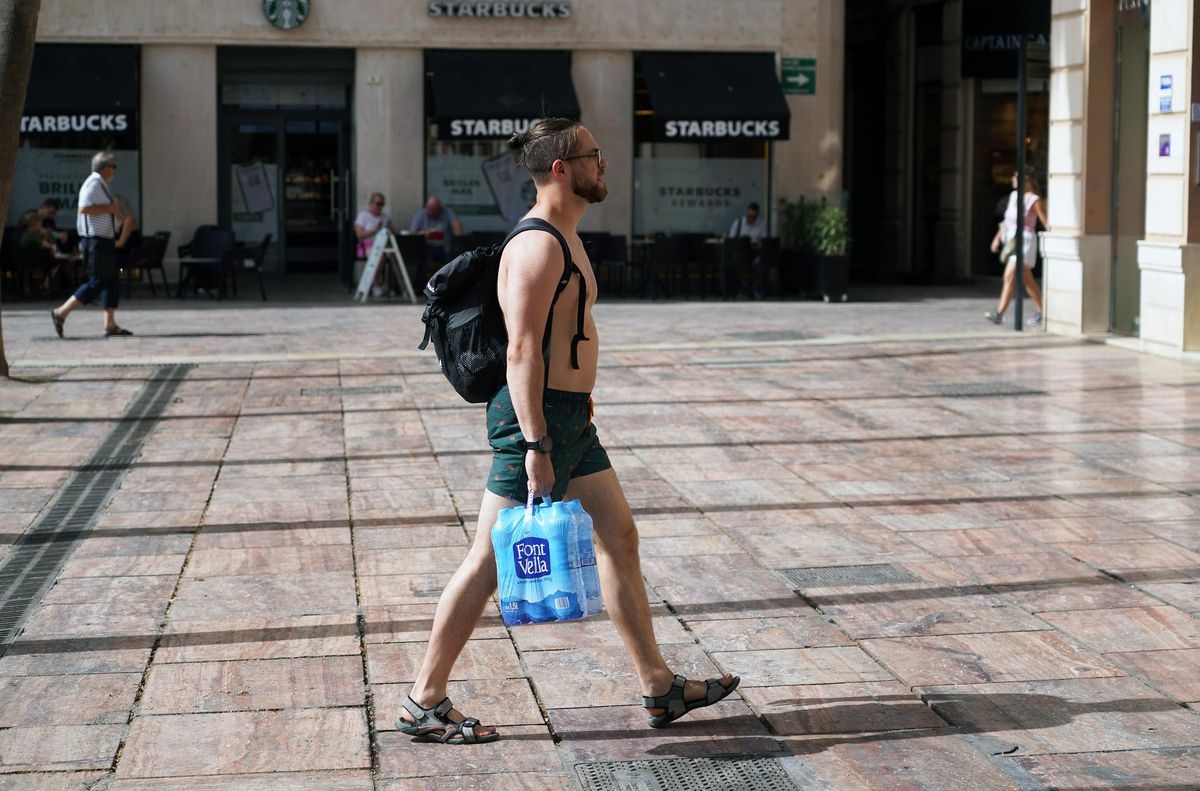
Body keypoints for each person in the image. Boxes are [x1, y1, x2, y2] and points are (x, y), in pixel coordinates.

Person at [396, 118, 739, 746]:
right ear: (561, 168)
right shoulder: (538, 247)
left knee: (621, 537)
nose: (603, 164)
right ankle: (425, 698)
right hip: (538, 420)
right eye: (594, 156)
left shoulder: (568, 237)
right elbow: (522, 351)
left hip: (570, 418)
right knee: (488, 559)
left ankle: (658, 685)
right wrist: (535, 444)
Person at [50, 152, 132, 337]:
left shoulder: (100, 184)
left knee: (111, 281)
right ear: (105, 168)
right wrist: (110, 208)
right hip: (96, 242)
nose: (115, 170)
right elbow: (84, 209)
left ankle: (110, 324)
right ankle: (61, 312)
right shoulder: (94, 183)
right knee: (98, 281)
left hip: (104, 241)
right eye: (113, 166)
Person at [987, 168, 1047, 327]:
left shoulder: (1034, 200)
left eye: (1016, 178)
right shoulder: (1014, 196)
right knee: (1028, 281)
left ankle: (999, 314)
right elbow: (1007, 221)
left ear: (1026, 180)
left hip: (1026, 241)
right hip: (1012, 240)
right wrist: (997, 239)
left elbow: (1045, 222)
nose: (1013, 180)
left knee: (1009, 276)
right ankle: (1043, 311)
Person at [354, 192, 395, 297]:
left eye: (382, 204)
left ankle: (388, 286)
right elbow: (359, 235)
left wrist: (389, 228)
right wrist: (374, 229)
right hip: (367, 246)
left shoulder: (385, 217)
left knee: (395, 258)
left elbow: (394, 232)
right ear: (371, 203)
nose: (380, 207)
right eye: (378, 204)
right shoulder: (363, 216)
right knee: (379, 257)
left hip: (384, 245)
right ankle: (376, 285)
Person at [409, 195, 464, 271]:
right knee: (421, 255)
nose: (432, 212)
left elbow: (458, 227)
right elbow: (412, 233)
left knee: (452, 253)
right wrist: (424, 233)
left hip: (445, 246)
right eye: (430, 209)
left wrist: (457, 240)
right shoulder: (420, 214)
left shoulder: (446, 212)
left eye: (434, 210)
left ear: (439, 208)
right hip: (427, 246)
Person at [727, 202, 768, 299]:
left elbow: (764, 240)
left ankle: (754, 288)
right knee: (735, 263)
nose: (751, 219)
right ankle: (742, 288)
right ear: (746, 213)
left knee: (763, 263)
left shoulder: (761, 224)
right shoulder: (738, 223)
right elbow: (732, 240)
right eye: (749, 216)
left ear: (757, 216)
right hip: (741, 254)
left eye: (753, 217)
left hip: (755, 253)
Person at [18, 210, 57, 295]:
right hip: (30, 260)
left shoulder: (27, 233)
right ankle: (45, 285)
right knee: (55, 263)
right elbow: (48, 245)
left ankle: (29, 287)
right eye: (40, 223)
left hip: (25, 260)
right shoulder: (32, 234)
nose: (41, 225)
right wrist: (47, 235)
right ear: (36, 224)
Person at [112, 194, 141, 272]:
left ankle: (103, 281)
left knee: (100, 258)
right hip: (117, 253)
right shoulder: (116, 220)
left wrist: (105, 244)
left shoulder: (129, 220)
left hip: (127, 255)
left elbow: (121, 244)